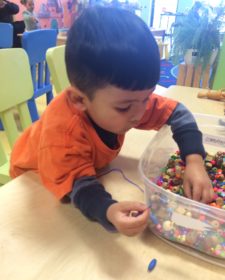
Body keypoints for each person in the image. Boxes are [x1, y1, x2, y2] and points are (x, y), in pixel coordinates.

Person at [10, 6, 214, 236]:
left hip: (83, 168)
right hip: (36, 179)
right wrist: (107, 210)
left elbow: (178, 113)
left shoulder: (127, 99)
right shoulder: (63, 133)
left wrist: (194, 161)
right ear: (79, 99)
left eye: (146, 98)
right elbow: (78, 184)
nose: (139, 114)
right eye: (125, 107)